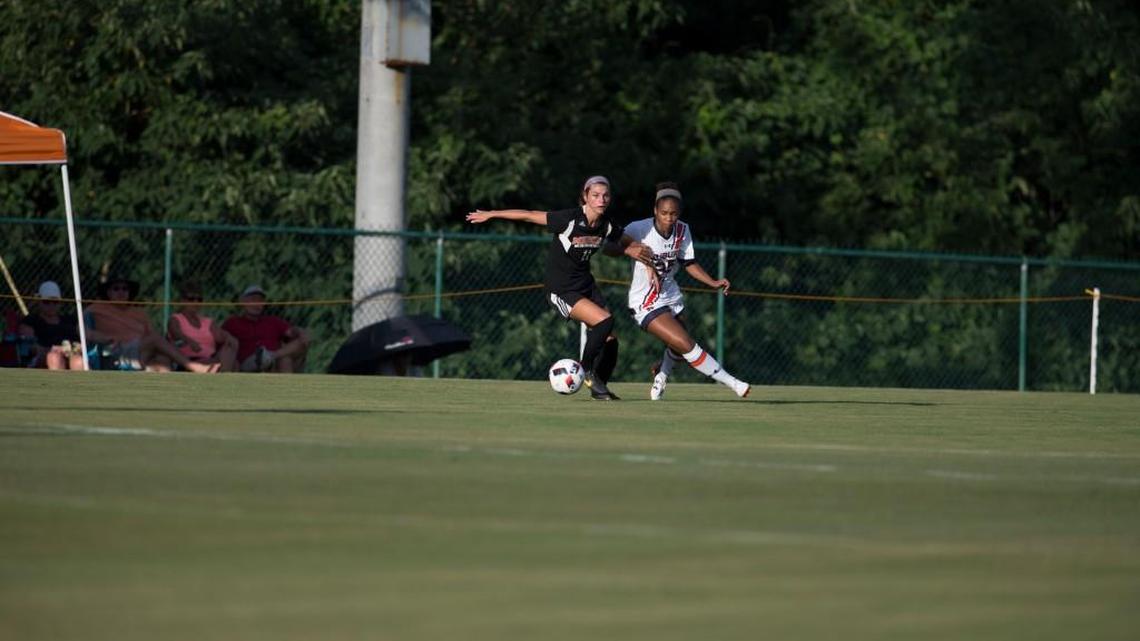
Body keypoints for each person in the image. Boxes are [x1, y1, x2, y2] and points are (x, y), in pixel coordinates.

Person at [466, 175, 657, 400]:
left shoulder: (606, 225)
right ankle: (585, 369)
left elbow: (630, 243)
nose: (601, 200)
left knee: (611, 342)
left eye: (605, 195)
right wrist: (492, 214)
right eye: (595, 195)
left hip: (586, 286)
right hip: (561, 289)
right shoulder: (568, 219)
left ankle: (598, 388)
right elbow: (529, 215)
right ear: (585, 196)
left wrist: (646, 263)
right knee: (605, 321)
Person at [624, 182, 750, 400]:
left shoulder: (682, 230)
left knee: (679, 348)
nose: (668, 218)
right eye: (664, 213)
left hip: (670, 294)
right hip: (645, 300)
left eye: (673, 213)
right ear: (655, 210)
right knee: (686, 344)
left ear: (679, 213)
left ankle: (661, 376)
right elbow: (610, 246)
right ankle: (734, 383)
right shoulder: (638, 228)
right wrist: (633, 250)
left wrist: (712, 282)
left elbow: (689, 262)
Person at [84, 275, 219, 373]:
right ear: (108, 292)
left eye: (125, 289)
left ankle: (168, 398)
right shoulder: (96, 308)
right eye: (116, 289)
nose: (121, 292)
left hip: (142, 352)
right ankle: (194, 366)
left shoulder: (139, 313)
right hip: (118, 353)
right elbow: (82, 330)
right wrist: (101, 337)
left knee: (163, 360)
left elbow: (151, 334)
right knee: (155, 339)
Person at [222, 285, 310, 373]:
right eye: (253, 299)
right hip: (247, 364)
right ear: (243, 302)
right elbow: (221, 342)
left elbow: (292, 332)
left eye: (260, 300)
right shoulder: (232, 323)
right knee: (267, 359)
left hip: (273, 360)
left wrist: (300, 331)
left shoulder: (273, 321)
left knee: (290, 354)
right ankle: (265, 358)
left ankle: (271, 356)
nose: (257, 304)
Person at [167, 281, 239, 372]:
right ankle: (222, 374)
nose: (196, 302)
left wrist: (228, 337)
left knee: (231, 347)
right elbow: (175, 333)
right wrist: (189, 341)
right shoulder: (176, 319)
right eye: (191, 299)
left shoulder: (207, 322)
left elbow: (221, 336)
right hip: (190, 362)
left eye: (199, 299)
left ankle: (221, 373)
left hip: (212, 358)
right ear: (182, 301)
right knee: (229, 363)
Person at [18, 280, 83, 370]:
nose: (51, 305)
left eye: (55, 301)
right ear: (39, 302)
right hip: (45, 356)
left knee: (79, 361)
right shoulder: (31, 320)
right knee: (55, 357)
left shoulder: (70, 320)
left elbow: (86, 337)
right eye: (47, 302)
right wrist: (56, 349)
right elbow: (29, 346)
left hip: (70, 353)